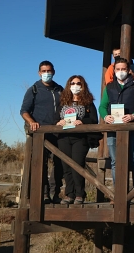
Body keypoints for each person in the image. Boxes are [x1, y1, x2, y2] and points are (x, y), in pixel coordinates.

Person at [99, 58, 134, 204]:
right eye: (118, 69)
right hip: (113, 130)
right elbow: (102, 106)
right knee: (115, 162)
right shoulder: (109, 87)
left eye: (123, 69)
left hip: (131, 129)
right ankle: (119, 193)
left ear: (128, 70)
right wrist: (105, 116)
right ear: (114, 71)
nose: (120, 72)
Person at [20, 60, 64, 203]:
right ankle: (43, 194)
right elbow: (24, 111)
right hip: (41, 134)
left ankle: (55, 193)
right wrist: (32, 122)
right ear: (39, 73)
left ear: (54, 72)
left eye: (49, 71)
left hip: (58, 133)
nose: (47, 74)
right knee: (41, 164)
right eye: (44, 71)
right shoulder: (34, 89)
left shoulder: (60, 89)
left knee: (59, 163)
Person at [55, 75, 98, 205]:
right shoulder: (62, 102)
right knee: (66, 166)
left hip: (80, 139)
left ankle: (80, 194)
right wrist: (58, 122)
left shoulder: (88, 102)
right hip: (64, 138)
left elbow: (94, 120)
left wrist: (82, 121)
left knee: (77, 165)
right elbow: (54, 119)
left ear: (83, 85)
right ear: (68, 85)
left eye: (78, 83)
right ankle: (69, 194)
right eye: (72, 83)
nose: (75, 85)